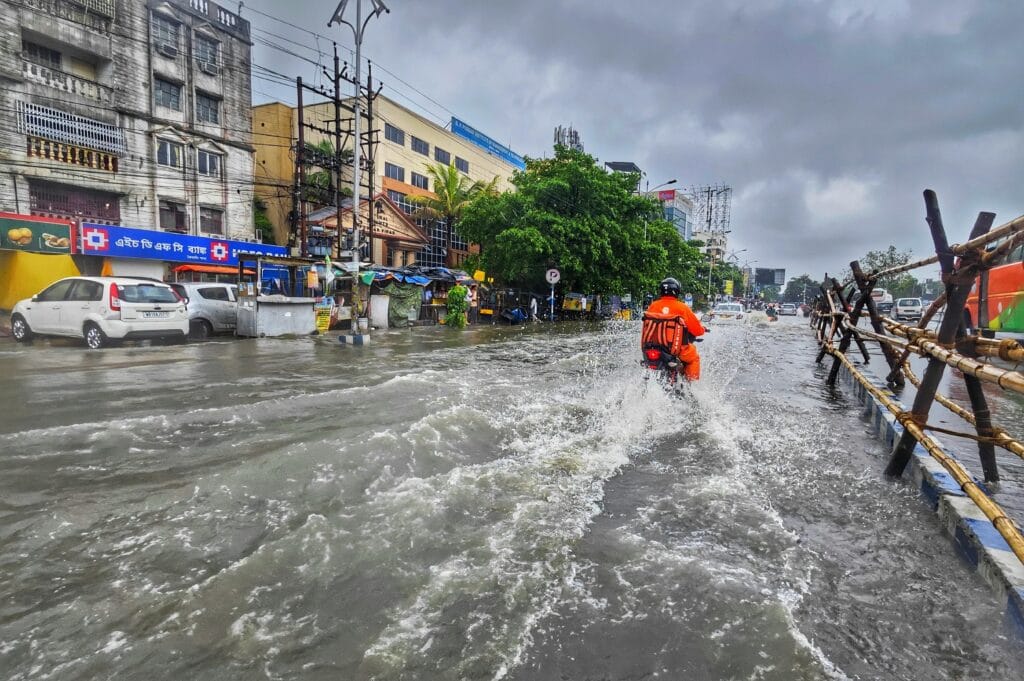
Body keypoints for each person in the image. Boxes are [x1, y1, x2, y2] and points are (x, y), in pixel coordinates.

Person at [642, 277, 706, 381]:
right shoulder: (682, 308)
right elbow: (697, 331)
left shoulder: (653, 306)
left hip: (651, 348)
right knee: (694, 358)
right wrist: (703, 329)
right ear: (677, 292)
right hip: (675, 350)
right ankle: (691, 385)